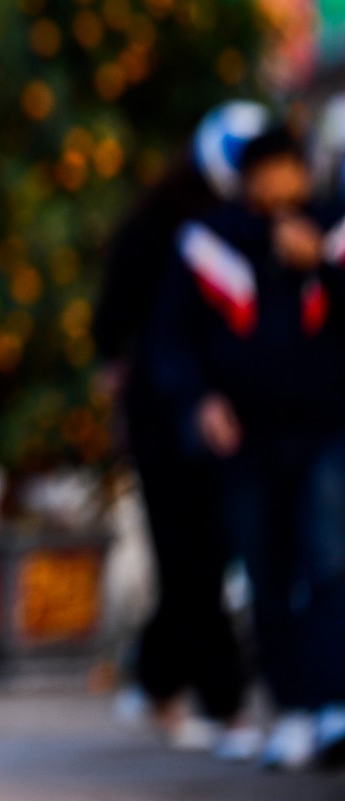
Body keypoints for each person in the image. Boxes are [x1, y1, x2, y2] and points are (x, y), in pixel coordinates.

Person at [149, 124, 345, 771]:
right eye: (267, 170)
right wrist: (201, 399)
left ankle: (329, 703)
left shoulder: (331, 230)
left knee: (326, 563)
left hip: (324, 428)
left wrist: (314, 262)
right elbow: (171, 338)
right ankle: (289, 707)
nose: (280, 183)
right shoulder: (211, 239)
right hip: (247, 438)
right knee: (265, 573)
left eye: (291, 167)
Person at [93, 103, 263, 756]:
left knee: (203, 553)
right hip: (167, 411)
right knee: (189, 552)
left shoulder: (249, 222)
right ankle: (222, 703)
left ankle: (158, 678)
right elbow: (115, 322)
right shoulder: (168, 223)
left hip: (221, 412)